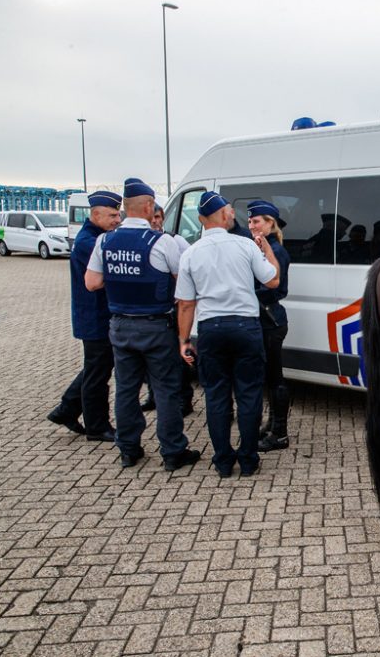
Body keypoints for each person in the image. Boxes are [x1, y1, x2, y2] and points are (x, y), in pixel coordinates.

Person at [85, 177, 200, 471]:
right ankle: (173, 451)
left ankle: (128, 449)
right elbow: (182, 282)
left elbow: (92, 282)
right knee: (166, 389)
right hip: (155, 326)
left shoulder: (104, 241)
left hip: (120, 326)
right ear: (149, 206)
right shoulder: (161, 242)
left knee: (125, 389)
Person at [175, 192, 280, 478]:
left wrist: (184, 341)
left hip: (211, 329)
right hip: (246, 328)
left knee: (217, 397)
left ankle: (223, 461)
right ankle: (248, 458)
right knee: (249, 394)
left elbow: (185, 304)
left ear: (200, 220)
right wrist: (267, 248)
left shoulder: (191, 252)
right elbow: (272, 279)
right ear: (224, 216)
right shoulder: (245, 245)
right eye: (230, 211)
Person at [46, 191, 121, 442]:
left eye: (118, 214)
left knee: (95, 368)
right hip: (95, 317)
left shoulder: (95, 236)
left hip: (95, 315)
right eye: (111, 215)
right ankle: (97, 426)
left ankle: (66, 409)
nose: (117, 219)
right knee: (98, 374)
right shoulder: (91, 242)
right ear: (96, 214)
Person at [139, 203, 195, 416]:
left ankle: (185, 400)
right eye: (152, 217)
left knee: (176, 359)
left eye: (159, 217)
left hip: (173, 307)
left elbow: (188, 269)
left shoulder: (175, 240)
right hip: (153, 309)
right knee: (150, 359)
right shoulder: (144, 242)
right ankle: (153, 396)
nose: (155, 221)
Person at [246, 200, 292, 452]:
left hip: (270, 320)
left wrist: (244, 293)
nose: (252, 225)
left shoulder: (276, 251)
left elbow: (274, 287)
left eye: (257, 221)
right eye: (250, 221)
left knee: (275, 378)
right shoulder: (261, 247)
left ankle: (280, 433)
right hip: (264, 319)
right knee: (270, 378)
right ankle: (272, 424)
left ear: (271, 223)